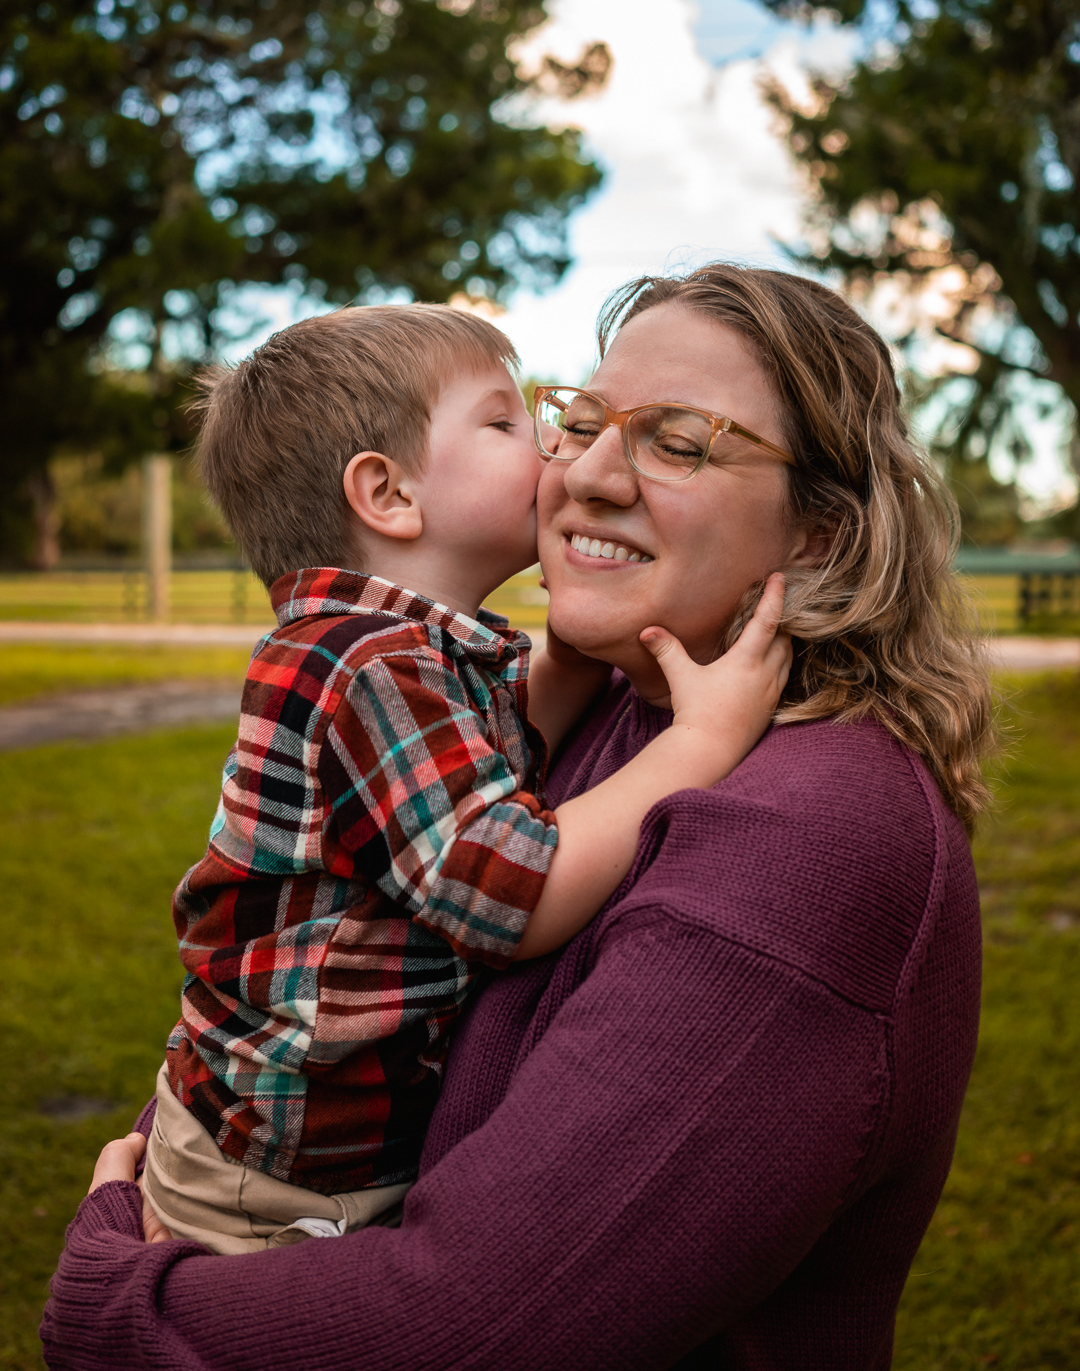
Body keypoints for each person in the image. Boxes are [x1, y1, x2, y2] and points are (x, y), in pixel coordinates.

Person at [42, 265, 992, 1369]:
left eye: (677, 441)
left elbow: (464, 1331)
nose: (580, 471)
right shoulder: (598, 705)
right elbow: (283, 946)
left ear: (821, 533)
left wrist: (117, 1301)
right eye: (576, 421)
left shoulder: (810, 838)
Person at [137, 301, 791, 1256]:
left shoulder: (397, 654)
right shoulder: (365, 667)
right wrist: (701, 739)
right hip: (278, 1181)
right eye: (503, 422)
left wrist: (572, 656)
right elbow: (507, 893)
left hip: (288, 1136)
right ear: (389, 495)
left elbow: (481, 765)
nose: (554, 448)